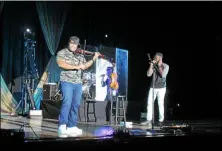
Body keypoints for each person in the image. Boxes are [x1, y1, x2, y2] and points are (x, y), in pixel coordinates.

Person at [56, 36, 100, 137]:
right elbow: (60, 64)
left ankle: (72, 125)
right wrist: (76, 67)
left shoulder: (80, 55)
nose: (73, 45)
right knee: (67, 102)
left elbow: (84, 66)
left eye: (75, 44)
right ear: (68, 43)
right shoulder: (62, 52)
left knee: (76, 104)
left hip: (78, 82)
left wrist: (93, 59)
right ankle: (62, 125)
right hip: (66, 81)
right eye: (71, 43)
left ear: (77, 45)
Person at [141, 52, 169, 126]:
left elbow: (162, 75)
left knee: (160, 104)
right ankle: (149, 120)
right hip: (153, 87)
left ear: (160, 58)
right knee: (149, 103)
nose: (154, 59)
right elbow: (148, 74)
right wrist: (151, 66)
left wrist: (159, 66)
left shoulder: (166, 66)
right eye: (154, 58)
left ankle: (160, 120)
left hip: (162, 88)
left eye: (156, 58)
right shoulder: (153, 66)